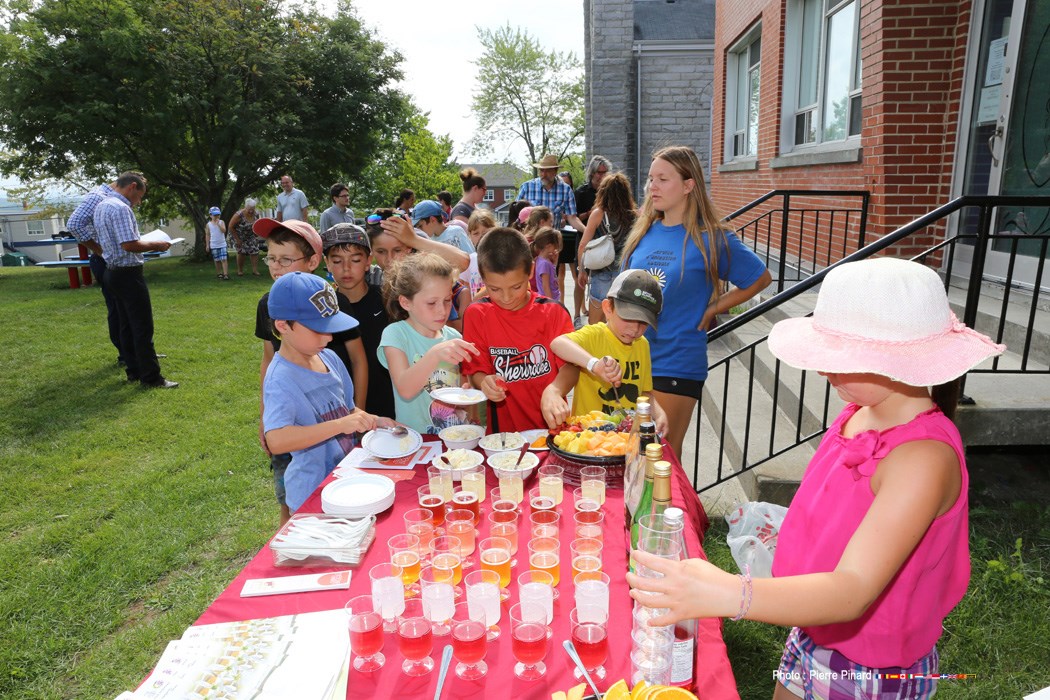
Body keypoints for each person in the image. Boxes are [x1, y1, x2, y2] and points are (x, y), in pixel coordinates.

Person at [628, 258, 1007, 700]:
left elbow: (853, 589)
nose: (824, 369)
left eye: (839, 357)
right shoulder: (861, 412)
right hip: (814, 623)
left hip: (873, 665)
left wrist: (731, 592)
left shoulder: (922, 459)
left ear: (899, 360)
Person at [622, 145, 772, 459]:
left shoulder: (712, 238)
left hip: (675, 362)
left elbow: (759, 278)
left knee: (660, 458)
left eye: (663, 179)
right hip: (632, 360)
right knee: (629, 458)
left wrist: (714, 308)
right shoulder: (644, 231)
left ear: (688, 185)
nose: (652, 187)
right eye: (651, 179)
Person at [262, 271, 388, 518]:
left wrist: (375, 420)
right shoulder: (280, 379)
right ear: (283, 325)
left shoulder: (329, 358)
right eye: (318, 329)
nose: (329, 337)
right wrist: (340, 425)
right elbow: (276, 439)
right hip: (311, 496)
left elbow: (347, 409)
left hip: (344, 481)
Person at [462, 228, 573, 432]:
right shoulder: (477, 315)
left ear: (530, 271)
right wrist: (484, 382)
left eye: (516, 287)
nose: (506, 298)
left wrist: (555, 390)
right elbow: (476, 371)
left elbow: (571, 366)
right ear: (483, 279)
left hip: (553, 431)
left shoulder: (553, 312)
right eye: (494, 289)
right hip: (503, 437)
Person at [253, 216, 325, 524]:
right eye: (271, 258)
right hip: (287, 412)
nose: (276, 267)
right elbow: (268, 358)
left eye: (286, 259)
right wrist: (265, 415)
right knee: (289, 496)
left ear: (312, 262)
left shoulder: (325, 301)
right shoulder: (267, 304)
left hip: (323, 409)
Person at [540, 269, 667, 432]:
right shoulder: (594, 335)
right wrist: (594, 364)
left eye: (643, 322)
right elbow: (558, 343)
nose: (635, 329)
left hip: (624, 436)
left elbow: (644, 393)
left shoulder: (642, 344)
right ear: (608, 308)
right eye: (628, 318)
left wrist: (659, 413)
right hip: (587, 435)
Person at [377, 253, 480, 434]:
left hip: (454, 437)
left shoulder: (453, 337)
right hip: (416, 440)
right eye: (432, 303)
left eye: (447, 300)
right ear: (405, 302)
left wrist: (468, 394)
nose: (442, 311)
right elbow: (405, 389)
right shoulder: (396, 335)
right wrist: (434, 354)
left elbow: (464, 387)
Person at [93, 172, 177, 389]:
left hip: (111, 271)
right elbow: (129, 244)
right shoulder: (121, 208)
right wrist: (157, 245)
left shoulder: (102, 205)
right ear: (131, 187)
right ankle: (151, 377)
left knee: (126, 325)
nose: (138, 202)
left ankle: (133, 371)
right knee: (142, 327)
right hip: (128, 274)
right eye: (139, 197)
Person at [321, 223, 396, 420]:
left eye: (355, 260)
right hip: (338, 405)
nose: (346, 268)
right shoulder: (323, 308)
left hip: (388, 399)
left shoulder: (387, 300)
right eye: (337, 261)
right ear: (327, 263)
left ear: (368, 261)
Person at [517, 154, 586, 323]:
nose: (543, 174)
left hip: (549, 248)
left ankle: (546, 314)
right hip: (530, 245)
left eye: (546, 171)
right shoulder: (527, 187)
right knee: (528, 281)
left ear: (555, 171)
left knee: (548, 280)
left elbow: (572, 217)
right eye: (541, 170)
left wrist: (587, 232)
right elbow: (518, 215)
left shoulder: (565, 190)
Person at [67, 179, 123, 363]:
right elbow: (74, 224)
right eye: (137, 195)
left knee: (126, 307)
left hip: (111, 259)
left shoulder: (108, 198)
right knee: (117, 308)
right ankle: (126, 354)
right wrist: (99, 250)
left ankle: (136, 351)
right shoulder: (98, 196)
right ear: (129, 185)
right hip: (104, 261)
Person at [577, 172, 637, 324]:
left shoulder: (598, 214)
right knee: (618, 322)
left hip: (601, 272)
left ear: (603, 192)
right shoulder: (633, 216)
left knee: (595, 324)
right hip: (624, 274)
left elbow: (583, 245)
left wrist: (582, 270)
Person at [363, 208, 471, 288]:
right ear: (371, 250)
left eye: (397, 250)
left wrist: (414, 240)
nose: (389, 259)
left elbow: (463, 262)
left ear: (409, 247)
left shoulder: (424, 274)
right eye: (381, 251)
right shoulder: (370, 278)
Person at [462, 209, 497, 299]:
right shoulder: (468, 261)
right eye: (476, 233)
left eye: (486, 232)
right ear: (470, 236)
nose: (481, 236)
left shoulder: (502, 258)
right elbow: (465, 288)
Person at [228, 198, 262, 276]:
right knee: (241, 251)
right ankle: (240, 270)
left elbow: (256, 224)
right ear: (245, 207)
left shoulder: (256, 214)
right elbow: (230, 226)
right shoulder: (239, 215)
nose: (251, 211)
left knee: (255, 250)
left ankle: (255, 270)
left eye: (253, 209)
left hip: (250, 234)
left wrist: (256, 234)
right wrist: (237, 239)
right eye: (249, 209)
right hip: (238, 234)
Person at [574, 155, 613, 224]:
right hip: (586, 229)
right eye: (599, 173)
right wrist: (589, 213)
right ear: (592, 173)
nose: (603, 176)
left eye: (605, 172)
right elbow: (573, 219)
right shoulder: (580, 192)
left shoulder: (612, 191)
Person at [529, 227, 562, 302]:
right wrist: (550, 303)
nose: (556, 248)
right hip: (549, 300)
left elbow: (552, 275)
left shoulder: (541, 260)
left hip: (550, 298)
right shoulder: (544, 263)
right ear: (548, 246)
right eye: (555, 245)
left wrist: (555, 262)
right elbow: (546, 286)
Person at [206, 207, 229, 280]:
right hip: (214, 245)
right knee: (217, 260)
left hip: (222, 244)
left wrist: (218, 225)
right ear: (210, 215)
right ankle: (219, 273)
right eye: (215, 215)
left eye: (218, 215)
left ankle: (225, 274)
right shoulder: (208, 224)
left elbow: (224, 230)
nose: (217, 217)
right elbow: (207, 235)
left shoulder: (221, 222)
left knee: (224, 259)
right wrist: (207, 245)